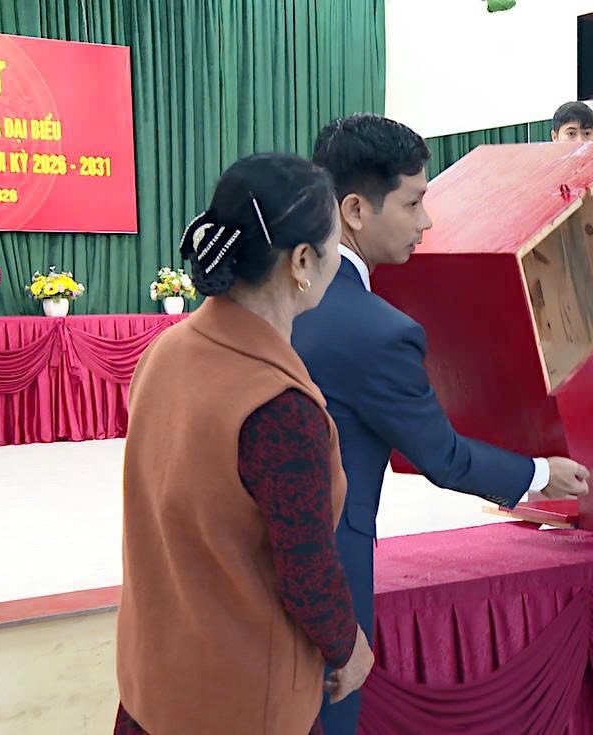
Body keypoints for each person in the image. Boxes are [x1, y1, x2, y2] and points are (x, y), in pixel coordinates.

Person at [294, 113, 591, 735]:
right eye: (413, 201)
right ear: (354, 209)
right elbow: (443, 456)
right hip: (326, 574)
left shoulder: (281, 296)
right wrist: (539, 473)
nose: (427, 222)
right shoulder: (374, 329)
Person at [115, 153, 373, 734]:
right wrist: (348, 648)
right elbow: (306, 572)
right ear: (302, 261)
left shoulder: (165, 352)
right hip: (237, 700)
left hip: (154, 680)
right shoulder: (276, 407)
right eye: (337, 244)